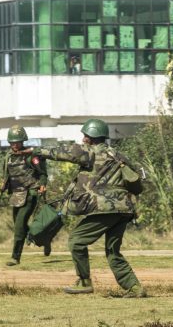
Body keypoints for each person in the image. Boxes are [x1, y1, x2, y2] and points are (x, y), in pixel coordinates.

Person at [25, 118, 147, 297]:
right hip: (125, 210)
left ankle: (84, 281)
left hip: (105, 208)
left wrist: (37, 151)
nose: (83, 139)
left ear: (92, 137)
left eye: (85, 136)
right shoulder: (119, 156)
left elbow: (64, 152)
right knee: (113, 251)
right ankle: (135, 288)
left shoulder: (90, 152)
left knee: (76, 240)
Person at [1, 125, 49, 266]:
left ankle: (15, 257)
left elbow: (42, 173)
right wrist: (3, 184)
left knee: (19, 227)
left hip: (30, 193)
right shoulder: (8, 156)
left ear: (23, 141)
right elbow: (5, 174)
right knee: (19, 225)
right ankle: (44, 239)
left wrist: (42, 184)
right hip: (16, 195)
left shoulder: (31, 155)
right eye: (12, 142)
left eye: (17, 142)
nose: (15, 145)